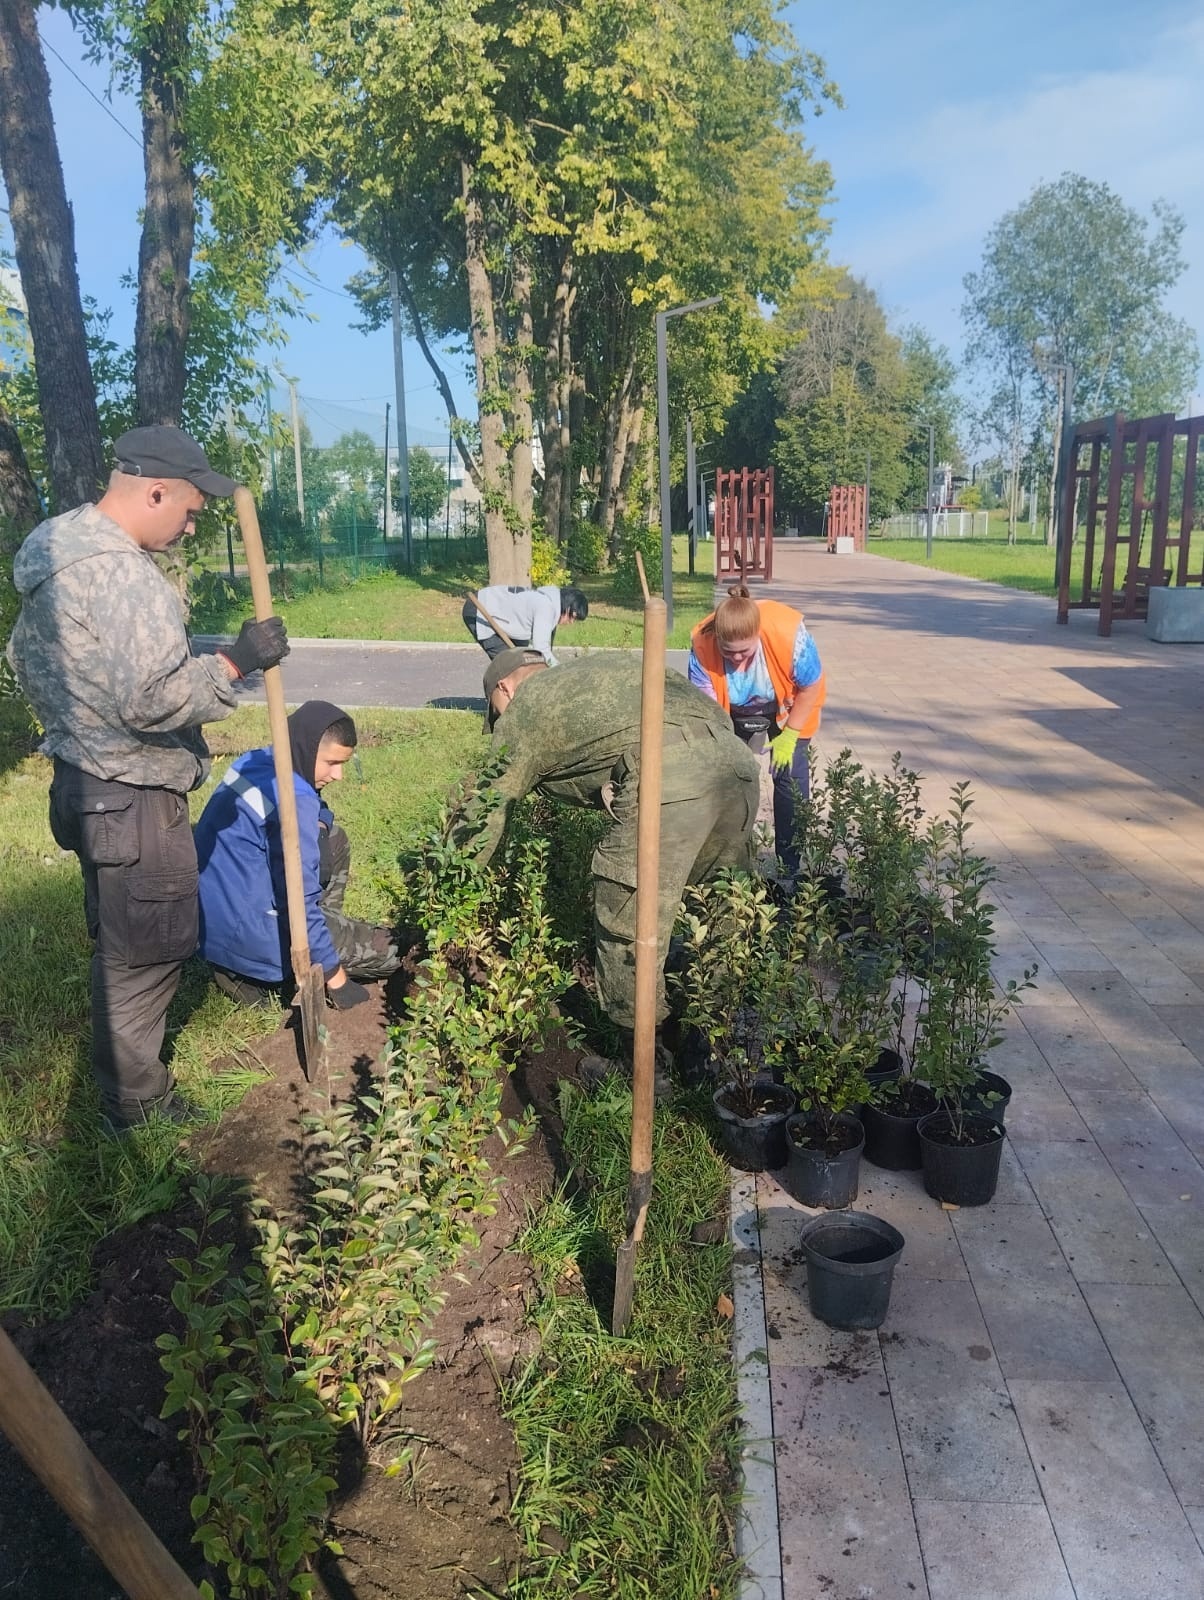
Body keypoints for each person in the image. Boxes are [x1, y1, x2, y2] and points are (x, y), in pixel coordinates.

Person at [7, 425, 289, 1133]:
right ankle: (137, 1105)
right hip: (131, 794)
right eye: (189, 510)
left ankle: (123, 1077)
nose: (192, 526)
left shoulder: (55, 549)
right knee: (149, 950)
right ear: (153, 490)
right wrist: (235, 662)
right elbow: (153, 697)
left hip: (81, 783)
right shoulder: (125, 576)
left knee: (121, 941)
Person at [477, 649, 759, 1034]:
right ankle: (711, 1042)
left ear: (505, 689)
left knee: (630, 918)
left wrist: (455, 890)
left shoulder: (527, 703)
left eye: (495, 712)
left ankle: (641, 1058)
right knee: (719, 906)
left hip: (668, 773)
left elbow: (487, 809)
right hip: (737, 767)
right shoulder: (597, 671)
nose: (500, 722)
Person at [194, 701, 400, 1009]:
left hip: (212, 914)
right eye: (331, 762)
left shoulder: (259, 760)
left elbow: (318, 810)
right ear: (307, 748)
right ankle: (248, 973)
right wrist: (335, 977)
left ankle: (327, 928)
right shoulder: (293, 805)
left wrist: (320, 824)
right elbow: (299, 905)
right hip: (247, 933)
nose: (339, 775)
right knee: (393, 951)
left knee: (334, 839)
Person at [688, 586, 826, 874]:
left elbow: (811, 686)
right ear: (718, 639)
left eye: (745, 652)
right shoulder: (702, 645)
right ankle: (733, 863)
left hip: (788, 706)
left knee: (790, 780)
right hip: (732, 711)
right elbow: (709, 711)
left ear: (758, 634)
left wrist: (790, 734)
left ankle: (790, 865)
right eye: (729, 652)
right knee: (731, 779)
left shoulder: (788, 635)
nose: (737, 659)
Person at [462, 583, 588, 665]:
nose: (571, 622)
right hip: (480, 609)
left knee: (523, 661)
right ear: (567, 605)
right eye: (572, 616)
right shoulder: (545, 607)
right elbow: (541, 649)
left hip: (507, 622)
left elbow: (542, 655)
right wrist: (560, 671)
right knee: (510, 665)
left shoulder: (549, 604)